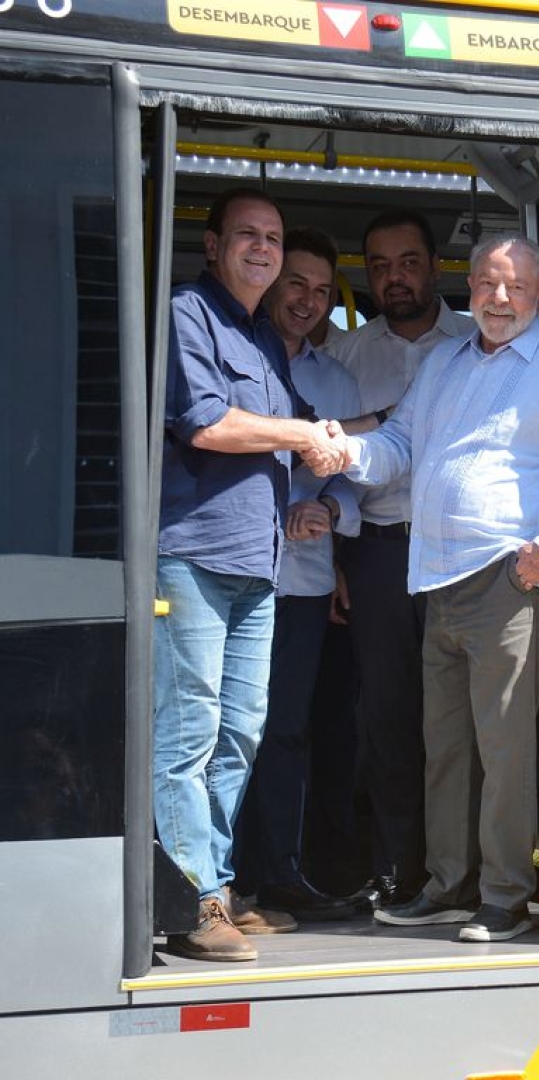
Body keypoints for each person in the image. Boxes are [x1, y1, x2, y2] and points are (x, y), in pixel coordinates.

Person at [308, 234, 539, 943]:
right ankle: (450, 886)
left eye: (513, 286)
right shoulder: (444, 360)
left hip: (510, 576)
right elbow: (402, 447)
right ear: (468, 288)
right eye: (485, 283)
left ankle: (505, 896)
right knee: (445, 746)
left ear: (538, 295)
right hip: (438, 577)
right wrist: (344, 450)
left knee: (503, 750)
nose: (497, 298)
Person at [155, 188, 350, 962]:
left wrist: (356, 440)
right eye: (249, 236)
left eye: (272, 238)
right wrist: (305, 435)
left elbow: (301, 431)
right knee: (189, 734)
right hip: (192, 556)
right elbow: (206, 422)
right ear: (213, 245)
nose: (264, 250)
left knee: (240, 733)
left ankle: (220, 887)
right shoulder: (186, 315)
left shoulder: (264, 339)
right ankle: (191, 897)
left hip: (256, 566)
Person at [324, 209, 473, 907]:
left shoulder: (479, 343)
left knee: (462, 720)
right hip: (378, 558)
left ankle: (461, 871)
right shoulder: (347, 358)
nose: (395, 278)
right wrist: (333, 564)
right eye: (379, 267)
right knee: (385, 719)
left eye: (408, 262)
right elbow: (326, 472)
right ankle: (396, 870)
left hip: (462, 558)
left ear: (435, 267)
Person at [233, 226, 380, 921]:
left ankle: (280, 877)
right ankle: (221, 881)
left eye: (322, 292)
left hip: (303, 584)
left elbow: (351, 481)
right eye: (297, 284)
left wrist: (324, 504)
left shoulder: (336, 379)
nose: (308, 301)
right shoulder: (231, 356)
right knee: (228, 730)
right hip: (229, 570)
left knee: (287, 728)